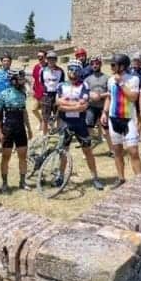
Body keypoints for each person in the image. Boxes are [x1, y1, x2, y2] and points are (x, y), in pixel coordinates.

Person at [56, 60, 104, 190]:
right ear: (67, 71)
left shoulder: (84, 85)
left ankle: (95, 178)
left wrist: (67, 104)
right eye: (71, 69)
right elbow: (59, 105)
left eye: (76, 70)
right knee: (63, 151)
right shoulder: (61, 85)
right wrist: (75, 105)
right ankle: (60, 176)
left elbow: (83, 106)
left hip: (80, 124)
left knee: (87, 151)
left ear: (80, 71)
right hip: (65, 123)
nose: (73, 72)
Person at [100, 54, 141, 189]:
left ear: (122, 66)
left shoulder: (133, 79)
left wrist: (121, 83)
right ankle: (121, 178)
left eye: (114, 65)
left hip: (128, 119)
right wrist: (104, 112)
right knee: (117, 151)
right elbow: (109, 97)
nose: (111, 67)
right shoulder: (110, 80)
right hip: (113, 119)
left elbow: (133, 97)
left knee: (133, 151)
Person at [0, 69, 33, 193]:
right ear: (13, 80)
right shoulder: (3, 94)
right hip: (8, 129)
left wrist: (29, 128)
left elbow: (24, 112)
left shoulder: (23, 94)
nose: (22, 81)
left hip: (20, 128)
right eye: (20, 79)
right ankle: (4, 183)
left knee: (23, 156)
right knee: (6, 157)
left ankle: (22, 182)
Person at [84, 56, 112, 153]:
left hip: (103, 107)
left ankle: (112, 150)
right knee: (89, 129)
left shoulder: (107, 78)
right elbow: (84, 93)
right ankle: (88, 151)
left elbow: (110, 93)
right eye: (92, 64)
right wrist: (91, 95)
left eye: (97, 63)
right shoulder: (87, 79)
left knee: (106, 130)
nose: (95, 65)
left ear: (100, 64)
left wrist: (99, 96)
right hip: (91, 107)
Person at [40, 51, 65, 134]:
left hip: (57, 95)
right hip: (46, 95)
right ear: (47, 60)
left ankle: (59, 134)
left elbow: (62, 84)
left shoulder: (60, 71)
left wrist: (60, 95)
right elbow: (42, 82)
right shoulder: (43, 70)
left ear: (56, 60)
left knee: (59, 116)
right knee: (45, 117)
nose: (51, 61)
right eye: (49, 59)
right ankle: (44, 136)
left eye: (53, 59)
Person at [31, 50, 47, 125]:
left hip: (46, 93)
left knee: (44, 110)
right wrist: (32, 89)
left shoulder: (48, 67)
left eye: (41, 56)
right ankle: (41, 121)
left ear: (45, 57)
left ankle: (44, 124)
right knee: (34, 109)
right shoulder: (36, 67)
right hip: (37, 92)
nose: (40, 58)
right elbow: (34, 78)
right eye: (38, 56)